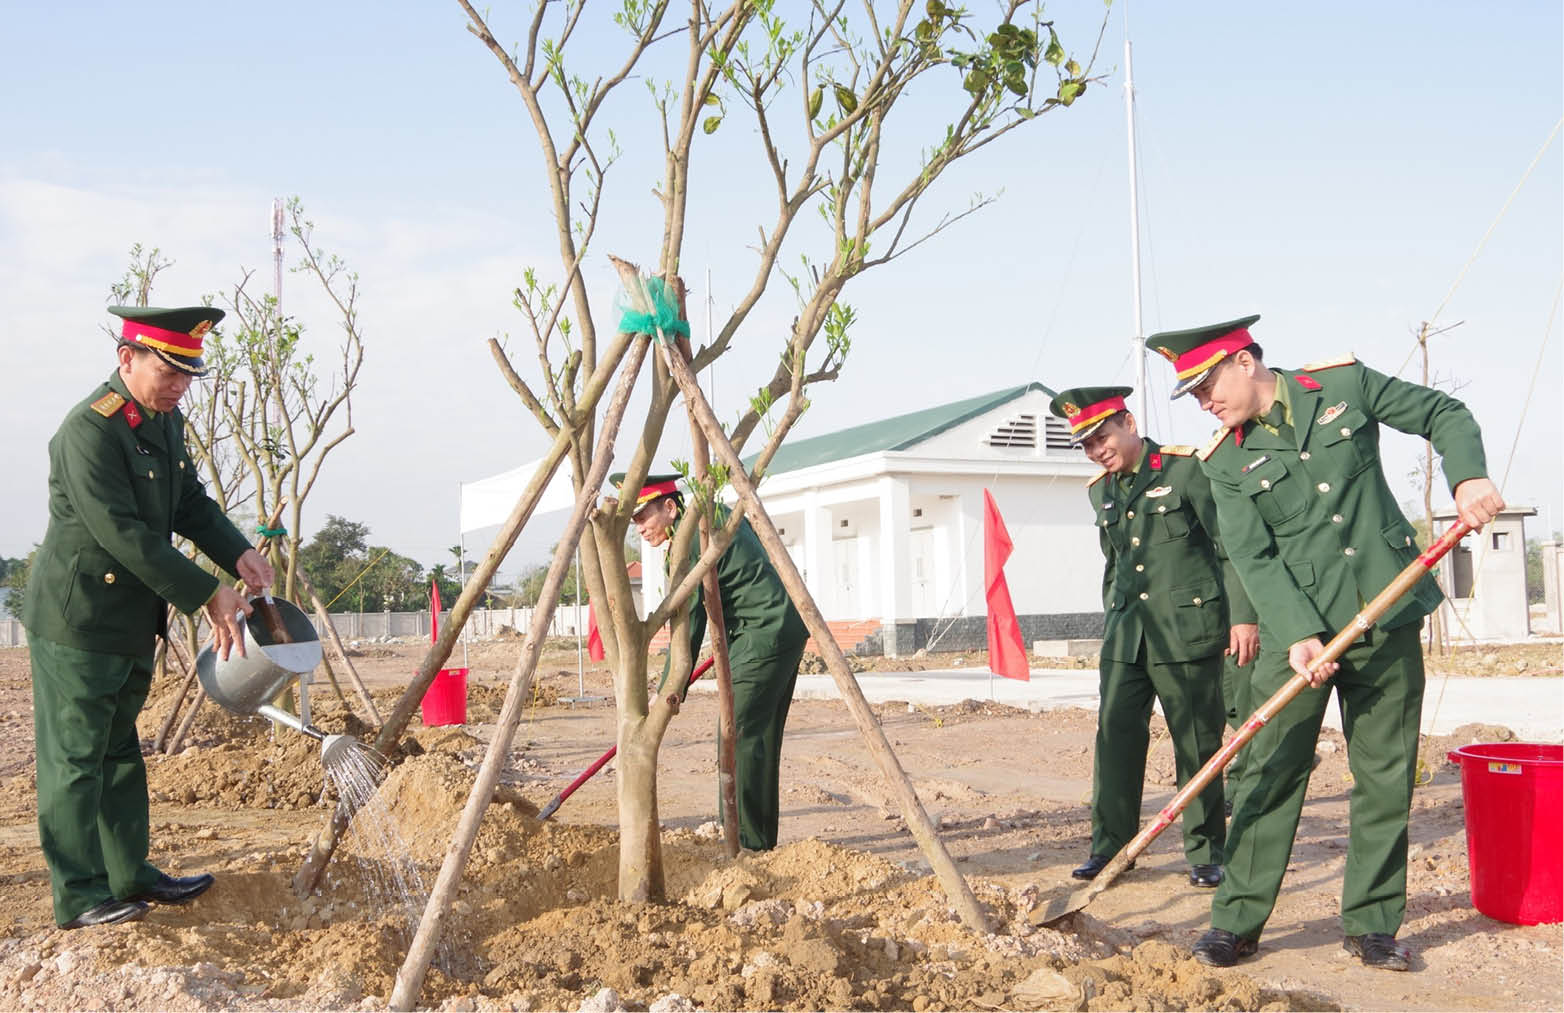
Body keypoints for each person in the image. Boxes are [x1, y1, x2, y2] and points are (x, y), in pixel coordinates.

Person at [1148, 314, 1504, 971]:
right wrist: (1299, 634)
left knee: (1385, 774)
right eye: (1193, 395)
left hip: (1387, 610)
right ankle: (1236, 921)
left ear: (1244, 361)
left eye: (1206, 387)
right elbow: (1253, 556)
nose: (1203, 404)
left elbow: (1442, 412)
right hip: (1300, 638)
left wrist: (1467, 477)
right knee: (1269, 772)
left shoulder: (1343, 385)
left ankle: (1372, 923)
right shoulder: (1224, 461)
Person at [24, 305, 275, 929]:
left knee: (119, 751)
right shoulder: (89, 430)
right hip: (80, 619)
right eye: (169, 371)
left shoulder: (162, 420)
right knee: (76, 758)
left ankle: (128, 874)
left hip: (132, 616)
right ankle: (80, 896)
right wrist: (206, 592)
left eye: (188, 374)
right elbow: (121, 533)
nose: (180, 386)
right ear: (126, 358)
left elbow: (187, 502)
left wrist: (236, 551)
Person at [1046, 387, 1259, 889]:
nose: (1097, 451)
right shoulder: (1100, 490)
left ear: (1129, 423)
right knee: (1114, 739)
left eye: (1102, 437)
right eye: (1087, 445)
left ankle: (1206, 850)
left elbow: (1228, 546)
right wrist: (1113, 619)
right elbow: (1116, 563)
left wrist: (1242, 617)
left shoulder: (1185, 470)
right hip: (1127, 637)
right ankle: (1110, 848)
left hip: (1186, 630)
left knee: (1196, 742)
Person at [617, 472, 808, 851]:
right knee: (759, 738)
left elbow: (688, 624)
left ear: (670, 507)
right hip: (781, 627)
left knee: (735, 736)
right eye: (634, 521)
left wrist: (669, 689)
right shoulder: (715, 513)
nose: (639, 529)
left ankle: (745, 843)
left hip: (761, 634)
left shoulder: (690, 540)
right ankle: (758, 842)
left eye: (643, 517)